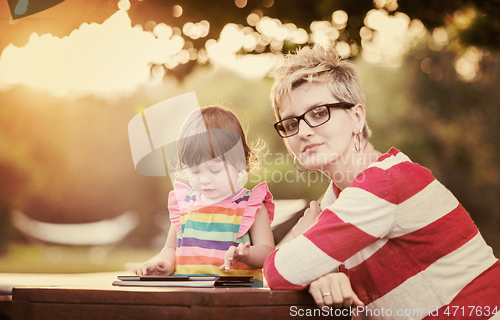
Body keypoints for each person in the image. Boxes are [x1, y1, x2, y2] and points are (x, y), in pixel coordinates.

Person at [263, 45, 500, 317]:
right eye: (291, 123)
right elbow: (296, 270)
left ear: (356, 117)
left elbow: (278, 272)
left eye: (319, 113)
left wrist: (305, 241)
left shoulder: (385, 184)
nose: (302, 131)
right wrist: (319, 270)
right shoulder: (336, 201)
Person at [137, 105, 275, 287]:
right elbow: (171, 247)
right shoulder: (184, 204)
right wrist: (165, 264)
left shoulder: (251, 206)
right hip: (188, 299)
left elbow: (267, 253)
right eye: (194, 171)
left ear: (241, 162)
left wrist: (247, 255)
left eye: (215, 170)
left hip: (239, 300)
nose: (204, 180)